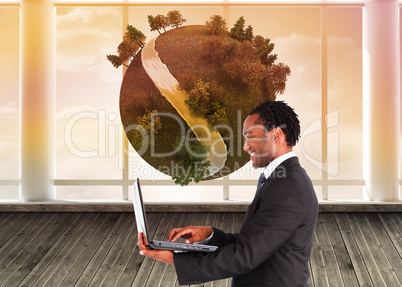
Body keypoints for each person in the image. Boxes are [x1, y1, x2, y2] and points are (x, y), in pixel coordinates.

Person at [138, 100, 319, 286]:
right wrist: (208, 235)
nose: (245, 146)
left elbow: (245, 256)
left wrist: (175, 260)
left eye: (250, 137)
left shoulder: (288, 187)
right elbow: (255, 242)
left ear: (276, 134)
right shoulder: (281, 179)